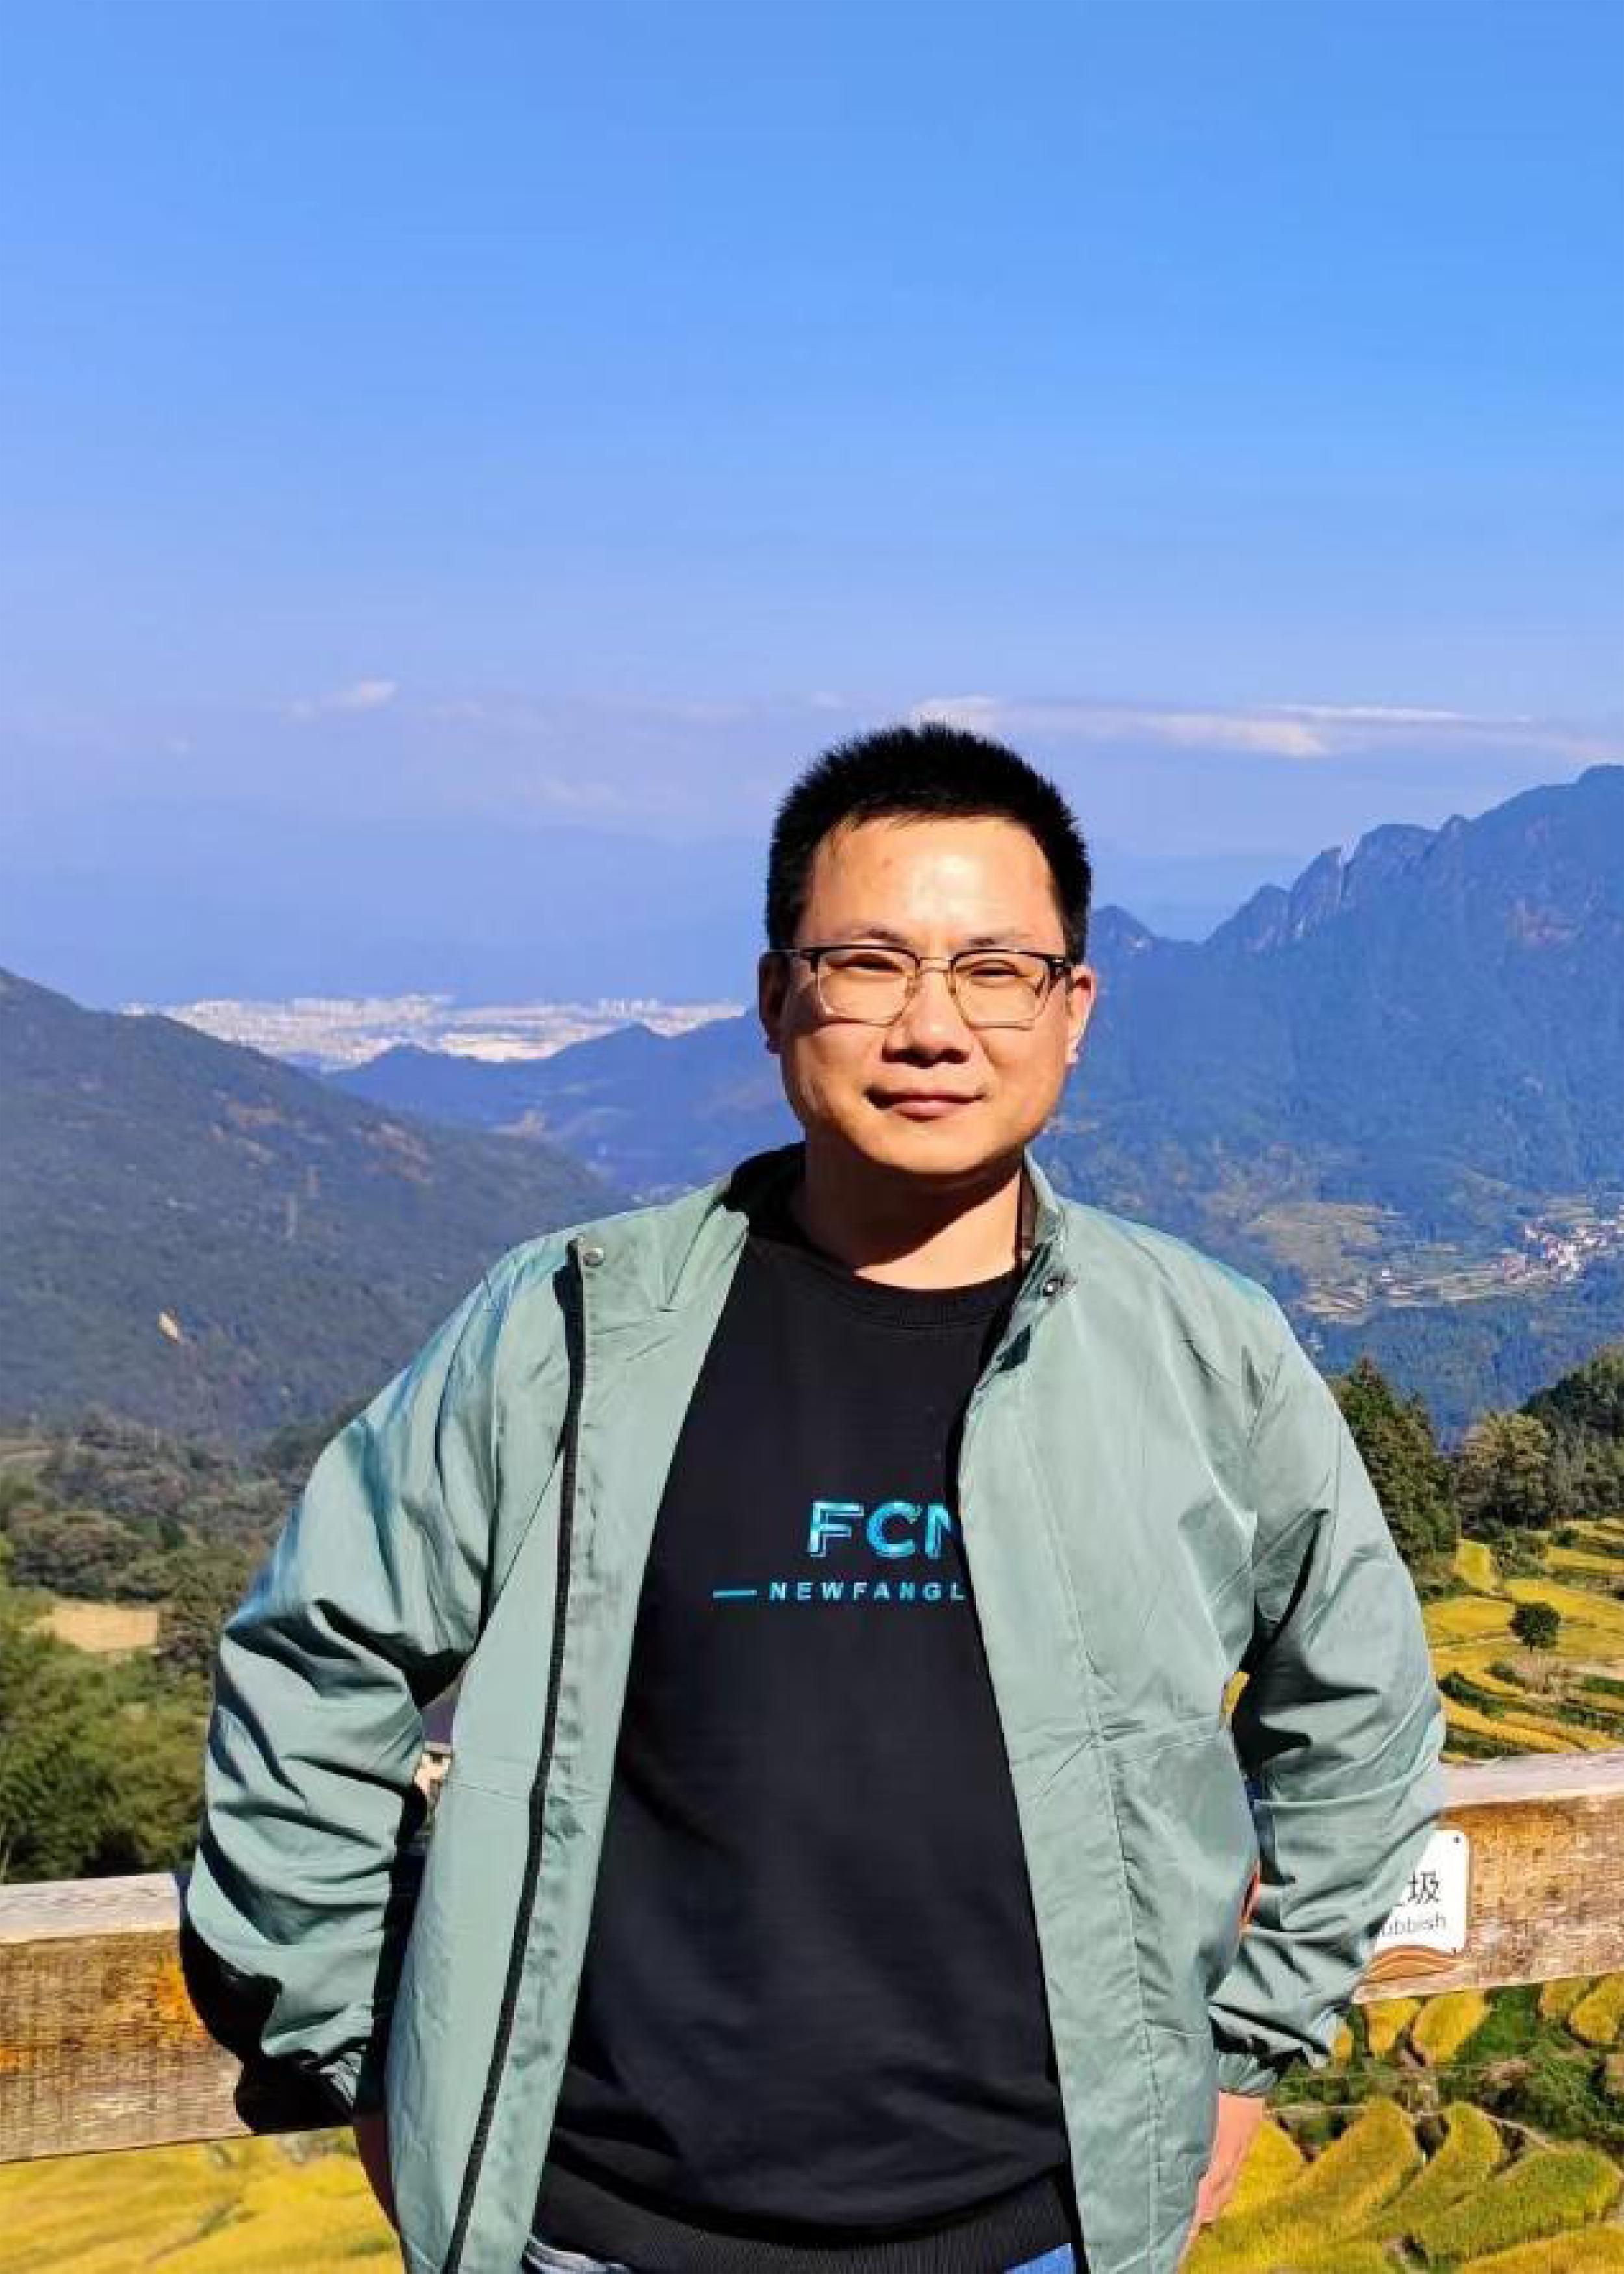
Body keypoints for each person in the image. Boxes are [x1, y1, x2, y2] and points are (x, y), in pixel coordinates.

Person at [181, 722, 1446, 2274]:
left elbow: (1361, 1713)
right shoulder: (569, 1329)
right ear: (778, 995)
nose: (931, 1027)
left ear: (1072, 1011)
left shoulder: (1202, 1354)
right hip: (587, 2227)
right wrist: (359, 2053)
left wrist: (1247, 2047)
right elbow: (316, 1660)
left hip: (1045, 2229)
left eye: (994, 971)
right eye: (868, 965)